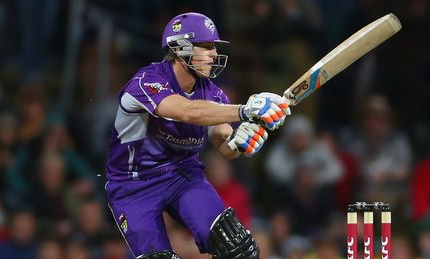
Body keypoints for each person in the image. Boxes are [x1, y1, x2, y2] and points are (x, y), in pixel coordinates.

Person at [105, 12, 291, 259]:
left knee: (237, 249)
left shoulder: (213, 93)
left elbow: (224, 144)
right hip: (133, 184)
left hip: (183, 176)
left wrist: (240, 141)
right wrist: (244, 111)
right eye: (206, 46)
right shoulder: (147, 81)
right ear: (180, 48)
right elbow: (186, 111)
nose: (214, 54)